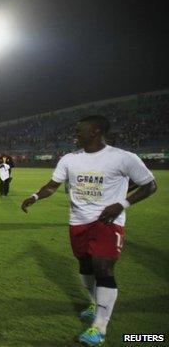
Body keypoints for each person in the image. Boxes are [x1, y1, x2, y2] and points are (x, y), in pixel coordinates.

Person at [21, 115, 157, 346]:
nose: (75, 134)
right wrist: (34, 197)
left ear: (95, 131)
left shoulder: (123, 158)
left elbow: (150, 185)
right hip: (78, 221)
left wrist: (121, 204)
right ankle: (94, 301)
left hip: (108, 221)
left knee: (102, 267)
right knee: (85, 265)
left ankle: (99, 327)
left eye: (79, 130)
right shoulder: (69, 159)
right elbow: (53, 185)